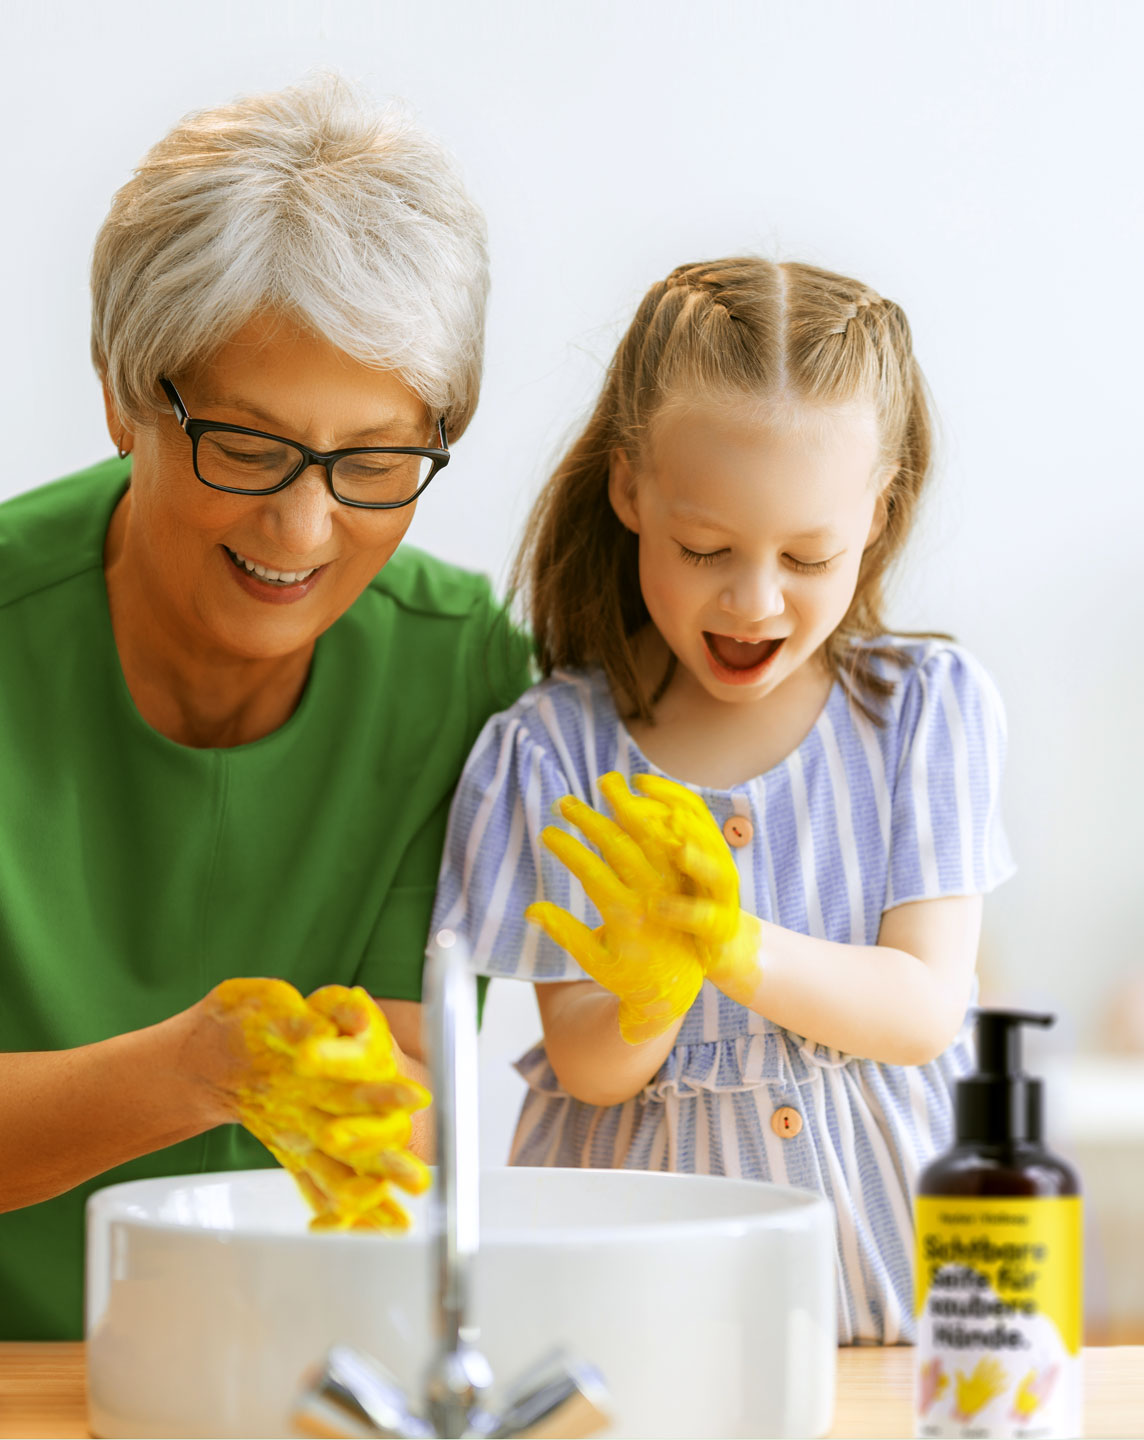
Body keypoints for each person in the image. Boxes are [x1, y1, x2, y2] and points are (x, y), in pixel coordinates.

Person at [0, 75, 529, 1341]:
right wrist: (203, 1067)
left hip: (227, 1338)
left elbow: (404, 1102)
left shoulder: (457, 672)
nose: (303, 528)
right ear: (124, 395)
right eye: (248, 447)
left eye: (374, 463)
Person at [431, 256, 1012, 1345]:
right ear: (629, 490)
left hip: (898, 1328)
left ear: (877, 516)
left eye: (808, 555)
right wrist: (654, 989)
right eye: (706, 549)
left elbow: (924, 1009)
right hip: (626, 1333)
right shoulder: (553, 751)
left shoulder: (922, 712)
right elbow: (589, 1065)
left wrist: (731, 945)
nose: (754, 600)